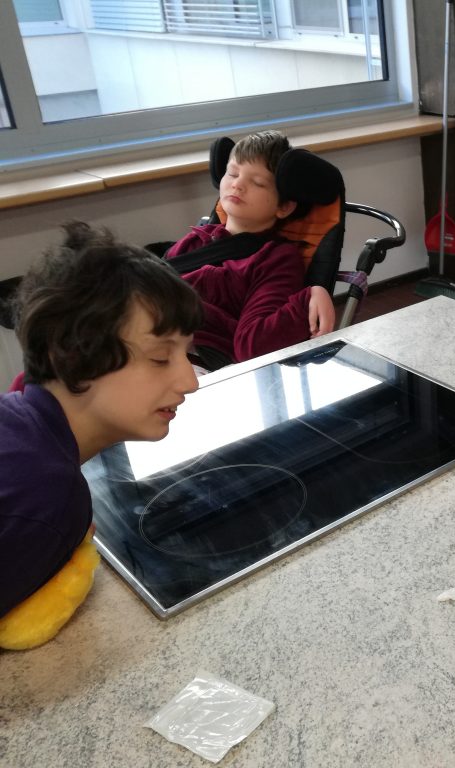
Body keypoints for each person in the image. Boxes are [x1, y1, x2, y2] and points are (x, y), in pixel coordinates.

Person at [0, 222, 203, 649]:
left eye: (188, 354)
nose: (190, 381)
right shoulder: (50, 494)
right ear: (72, 357)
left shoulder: (15, 415)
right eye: (160, 357)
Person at [166, 129, 336, 365]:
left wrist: (307, 299)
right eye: (232, 173)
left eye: (257, 182)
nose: (237, 184)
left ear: (284, 207)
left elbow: (251, 346)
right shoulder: (194, 241)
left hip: (199, 360)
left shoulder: (275, 259)